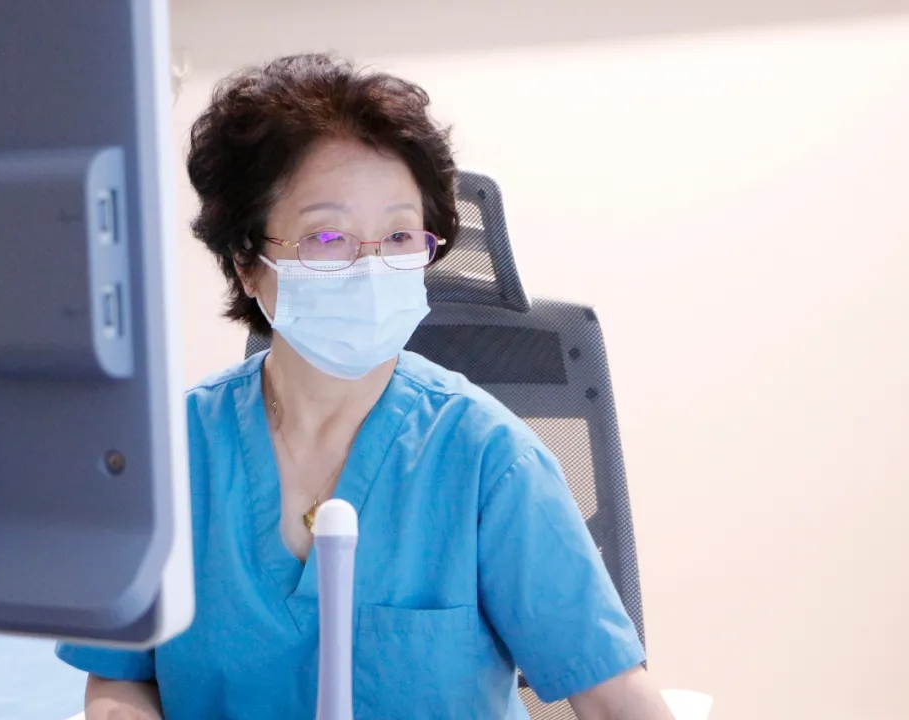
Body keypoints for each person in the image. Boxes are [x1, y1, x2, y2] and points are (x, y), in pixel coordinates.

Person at [56, 53, 674, 720]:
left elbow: (614, 697)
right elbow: (118, 679)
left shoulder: (488, 458)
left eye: (400, 235)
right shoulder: (169, 459)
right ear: (248, 264)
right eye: (328, 236)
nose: (372, 268)